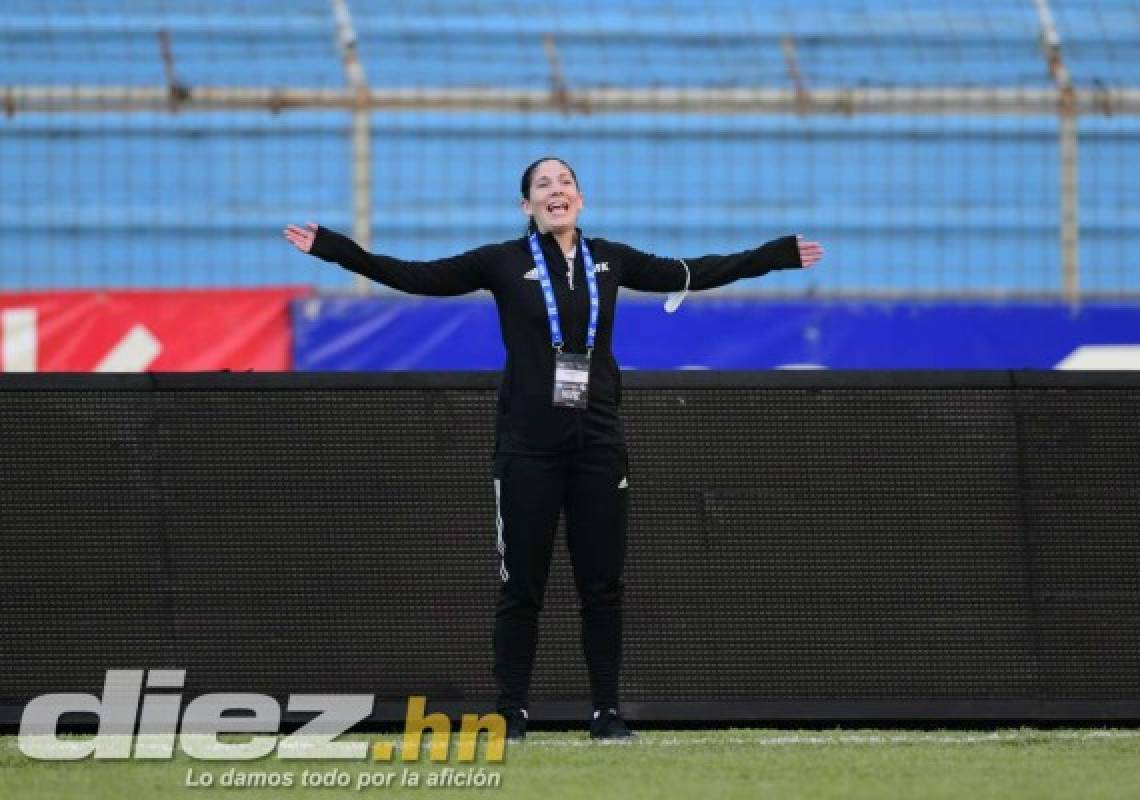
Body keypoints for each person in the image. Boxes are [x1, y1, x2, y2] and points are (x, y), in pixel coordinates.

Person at [283, 156, 824, 741]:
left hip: (597, 442)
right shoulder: (501, 262)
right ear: (527, 206)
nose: (555, 190)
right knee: (523, 585)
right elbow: (416, 276)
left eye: (564, 182)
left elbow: (694, 270)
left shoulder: (610, 260)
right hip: (527, 446)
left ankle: (606, 712)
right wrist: (335, 248)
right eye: (543, 185)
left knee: (602, 584)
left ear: (580, 200)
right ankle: (511, 710)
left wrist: (774, 255)